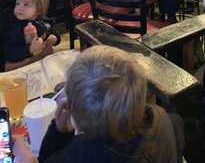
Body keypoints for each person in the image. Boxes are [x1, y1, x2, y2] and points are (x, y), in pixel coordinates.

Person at [12, 45, 183, 163]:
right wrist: (61, 132)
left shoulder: (76, 155)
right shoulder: (162, 117)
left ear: (72, 111)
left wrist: (56, 135)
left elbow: (47, 159)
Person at [4, 0, 60, 71]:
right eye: (17, 3)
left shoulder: (42, 21)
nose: (20, 8)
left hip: (41, 64)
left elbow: (51, 31)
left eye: (26, 4)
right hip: (22, 68)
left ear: (38, 10)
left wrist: (55, 38)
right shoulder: (15, 27)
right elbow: (10, 53)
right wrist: (29, 49)